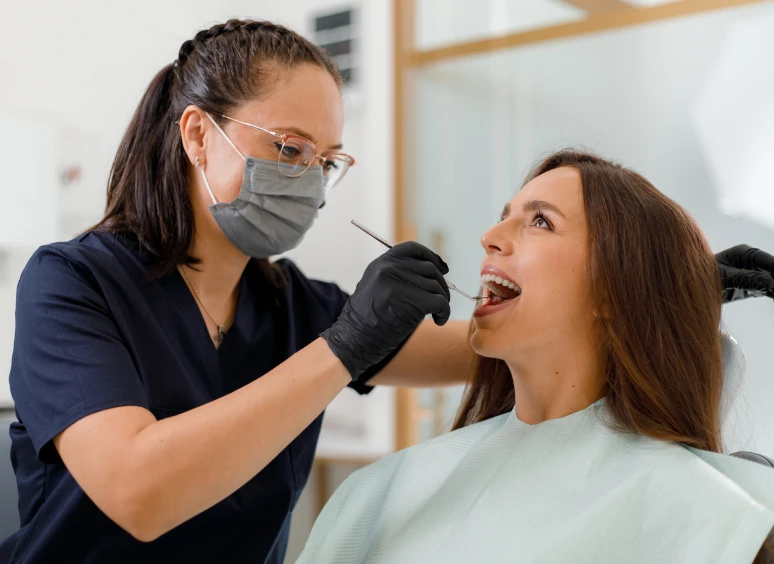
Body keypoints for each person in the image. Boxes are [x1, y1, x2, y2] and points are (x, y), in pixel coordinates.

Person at [0, 18, 770, 564]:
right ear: (199, 135)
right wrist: (344, 348)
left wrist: (665, 289)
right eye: (289, 149)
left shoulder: (293, 305)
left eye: (326, 158)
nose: (308, 176)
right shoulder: (72, 284)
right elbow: (137, 493)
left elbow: (501, 341)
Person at [298, 151, 774, 564]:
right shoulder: (378, 497)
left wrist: (666, 303)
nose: (489, 235)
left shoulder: (717, 512)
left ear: (616, 289)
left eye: (540, 221)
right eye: (505, 215)